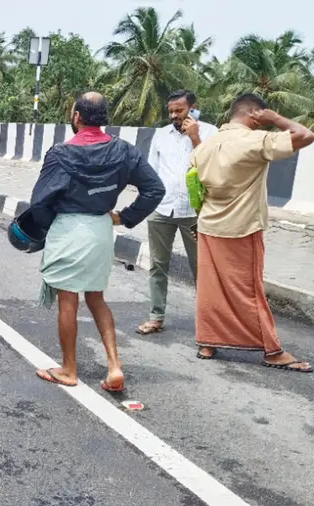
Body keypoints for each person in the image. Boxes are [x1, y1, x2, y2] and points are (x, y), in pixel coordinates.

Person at [30, 91, 165, 390]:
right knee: (96, 298)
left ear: (76, 116)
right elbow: (155, 190)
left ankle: (68, 369)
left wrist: (40, 231)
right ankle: (114, 366)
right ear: (103, 117)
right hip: (102, 231)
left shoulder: (60, 153)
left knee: (68, 301)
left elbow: (39, 202)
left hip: (69, 230)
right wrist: (124, 217)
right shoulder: (125, 151)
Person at [191, 94, 314, 372]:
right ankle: (271, 350)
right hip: (241, 227)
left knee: (211, 289)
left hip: (209, 224)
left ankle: (208, 342)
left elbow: (195, 185)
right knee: (249, 290)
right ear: (254, 114)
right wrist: (276, 120)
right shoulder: (254, 141)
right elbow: (305, 135)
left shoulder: (204, 145)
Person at [137, 90, 218, 335]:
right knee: (158, 265)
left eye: (179, 110)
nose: (174, 115)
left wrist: (195, 139)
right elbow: (151, 171)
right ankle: (156, 316)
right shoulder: (161, 135)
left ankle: (207, 323)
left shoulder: (210, 133)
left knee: (201, 268)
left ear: (193, 108)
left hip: (195, 212)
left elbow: (212, 167)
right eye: (171, 110)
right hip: (162, 208)